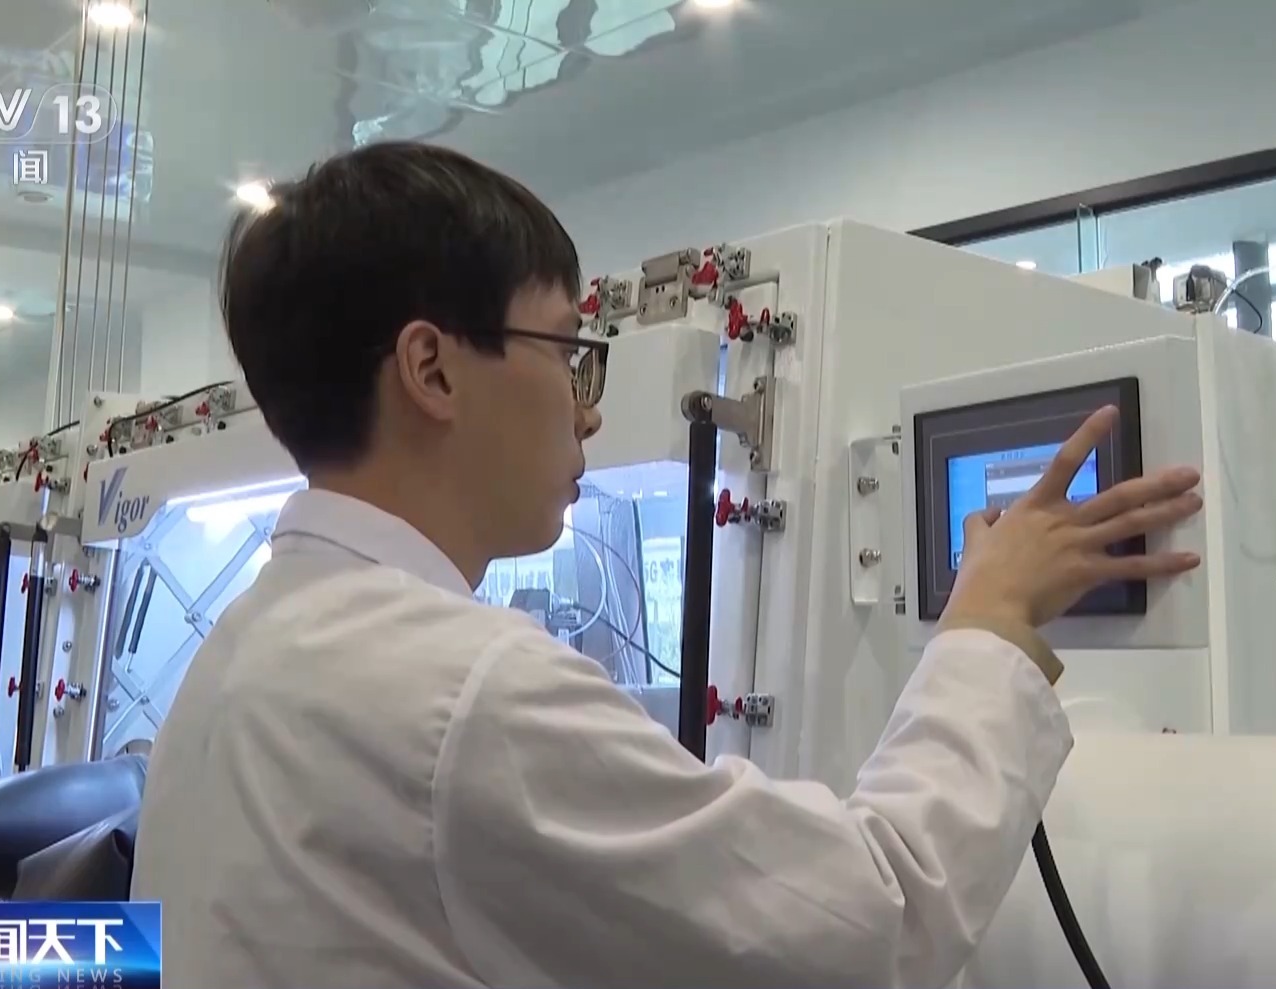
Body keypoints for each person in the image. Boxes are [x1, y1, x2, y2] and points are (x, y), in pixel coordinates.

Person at [130, 141, 1204, 989]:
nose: (588, 410)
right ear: (433, 369)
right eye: (569, 352)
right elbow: (871, 920)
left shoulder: (233, 659)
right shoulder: (467, 691)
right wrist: (991, 620)